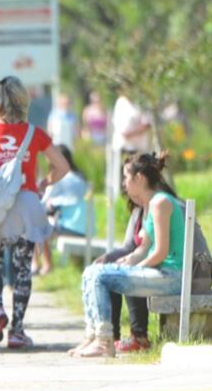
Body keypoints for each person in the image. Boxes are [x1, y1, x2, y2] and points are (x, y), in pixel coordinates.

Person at [0, 76, 68, 349]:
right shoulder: (35, 133)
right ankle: (17, 330)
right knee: (22, 267)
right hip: (25, 204)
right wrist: (45, 183)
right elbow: (62, 166)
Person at [72, 152, 184, 358]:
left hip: (171, 277)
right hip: (160, 274)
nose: (124, 183)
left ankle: (104, 341)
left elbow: (161, 252)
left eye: (126, 177)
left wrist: (135, 269)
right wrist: (127, 261)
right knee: (92, 272)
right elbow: (143, 248)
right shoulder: (150, 204)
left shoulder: (160, 203)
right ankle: (93, 336)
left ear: (139, 178)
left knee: (100, 277)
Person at [35, 145, 89, 275]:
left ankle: (44, 264)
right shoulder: (79, 177)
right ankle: (37, 264)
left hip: (70, 226)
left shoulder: (60, 177)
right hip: (86, 227)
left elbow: (44, 204)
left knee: (35, 226)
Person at [112, 86, 151, 157]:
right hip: (123, 148)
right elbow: (120, 128)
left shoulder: (141, 102)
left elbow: (146, 123)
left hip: (139, 148)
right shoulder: (121, 102)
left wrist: (132, 133)